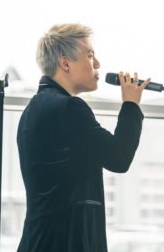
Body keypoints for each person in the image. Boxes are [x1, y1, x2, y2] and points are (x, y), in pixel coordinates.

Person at [17, 23, 150, 251]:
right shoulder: (70, 108)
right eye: (90, 56)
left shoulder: (34, 108)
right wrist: (130, 105)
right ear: (65, 62)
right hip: (65, 243)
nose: (97, 64)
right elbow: (119, 158)